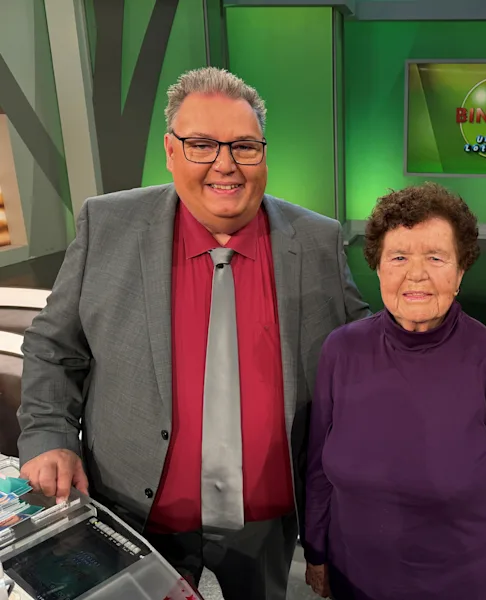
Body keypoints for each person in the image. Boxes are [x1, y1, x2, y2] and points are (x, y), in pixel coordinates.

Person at [16, 66, 370, 599]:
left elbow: (365, 356)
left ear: (263, 153)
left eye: (244, 146)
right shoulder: (107, 225)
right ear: (170, 150)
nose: (225, 165)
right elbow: (53, 347)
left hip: (267, 525)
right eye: (202, 144)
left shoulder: (317, 240)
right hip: (134, 513)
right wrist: (49, 438)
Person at [303, 183, 486, 600]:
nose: (416, 274)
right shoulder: (340, 351)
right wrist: (315, 551)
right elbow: (318, 472)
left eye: (436, 257)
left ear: (460, 271)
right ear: (378, 267)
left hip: (463, 585)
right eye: (399, 257)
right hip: (354, 578)